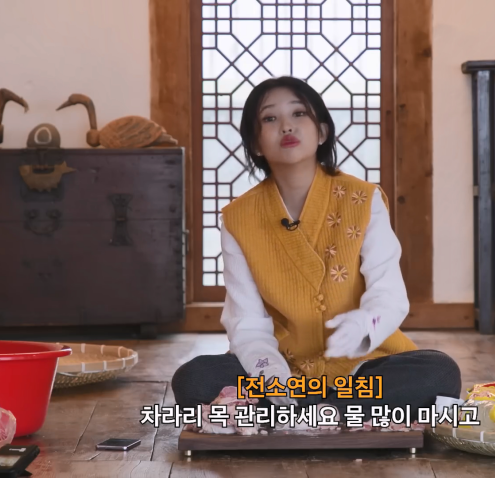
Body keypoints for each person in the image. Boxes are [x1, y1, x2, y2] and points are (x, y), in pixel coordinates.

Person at [171, 76, 461, 419]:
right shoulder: (238, 217)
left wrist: (364, 326)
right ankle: (326, 413)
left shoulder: (363, 199)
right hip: (285, 371)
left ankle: (309, 415)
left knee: (439, 373)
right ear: (256, 144)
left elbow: (389, 294)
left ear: (321, 132)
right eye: (270, 118)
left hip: (365, 369)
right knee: (194, 379)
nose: (286, 126)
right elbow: (246, 323)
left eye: (298, 114)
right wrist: (273, 378)